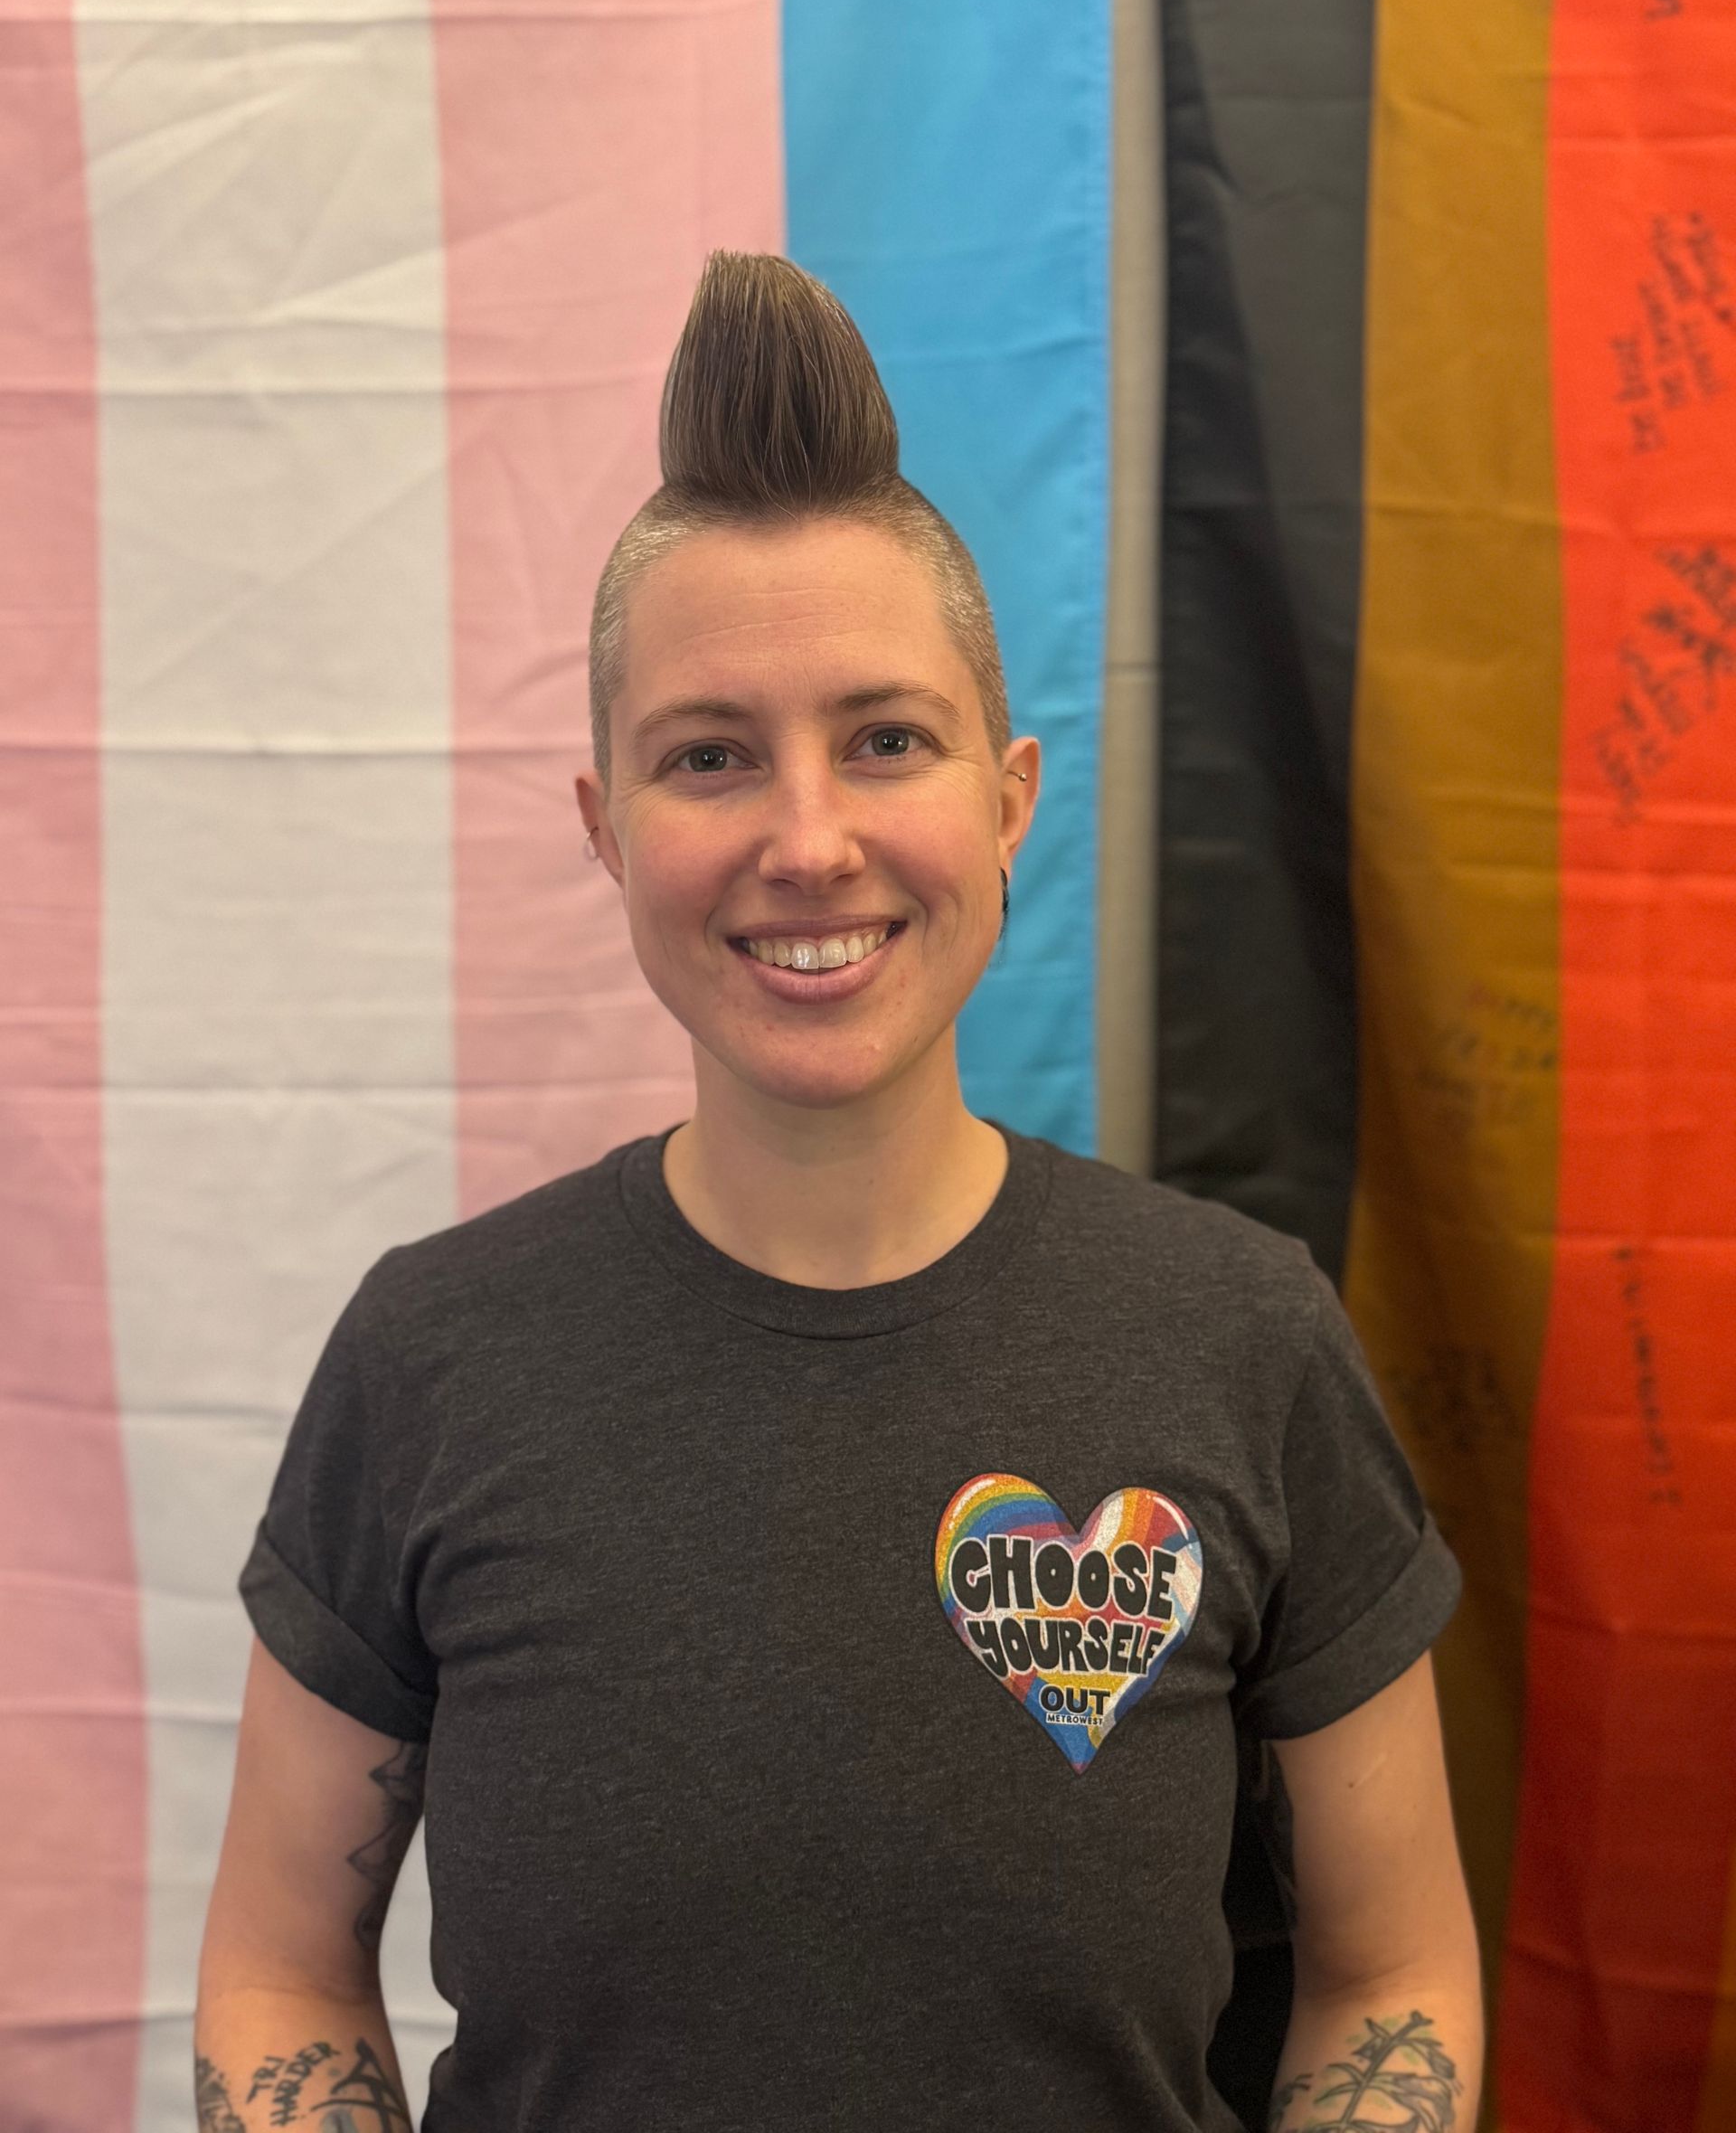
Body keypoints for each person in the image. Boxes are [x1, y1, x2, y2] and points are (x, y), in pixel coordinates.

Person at [196, 251, 1484, 2133]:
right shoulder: (432, 1353)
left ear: (1011, 792)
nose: (809, 840)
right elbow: (280, 1970)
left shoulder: (1244, 1333)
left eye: (886, 737)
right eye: (710, 756)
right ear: (606, 825)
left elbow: (1391, 1972)